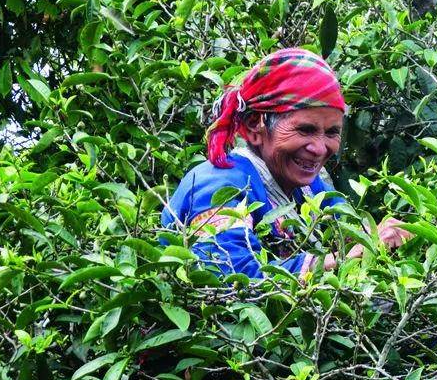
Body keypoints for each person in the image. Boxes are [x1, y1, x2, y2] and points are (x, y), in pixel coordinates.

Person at [161, 48, 410, 278]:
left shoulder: (308, 186)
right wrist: (346, 259)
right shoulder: (218, 186)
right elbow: (235, 280)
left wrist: (382, 234)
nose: (320, 148)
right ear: (254, 126)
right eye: (305, 130)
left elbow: (347, 230)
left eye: (332, 132)